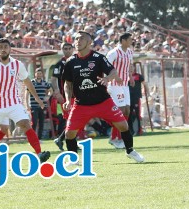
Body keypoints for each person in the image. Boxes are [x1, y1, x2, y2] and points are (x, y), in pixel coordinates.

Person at [62, 31, 144, 163]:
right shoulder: (70, 62)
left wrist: (107, 78)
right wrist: (67, 100)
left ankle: (130, 151)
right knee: (69, 134)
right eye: (76, 39)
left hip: (103, 102)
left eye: (82, 39)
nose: (78, 41)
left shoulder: (98, 58)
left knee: (123, 125)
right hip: (81, 104)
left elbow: (113, 71)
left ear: (89, 42)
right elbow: (68, 84)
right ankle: (73, 158)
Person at [0, 38, 50, 162]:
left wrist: (37, 98)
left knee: (25, 124)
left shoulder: (17, 64)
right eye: (1, 47)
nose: (3, 49)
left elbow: (27, 81)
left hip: (14, 103)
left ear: (10, 49)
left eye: (5, 47)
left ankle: (39, 154)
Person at [106, 32, 134, 149]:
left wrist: (131, 77)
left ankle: (121, 136)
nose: (131, 42)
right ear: (123, 40)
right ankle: (114, 137)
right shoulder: (114, 52)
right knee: (120, 110)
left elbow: (129, 66)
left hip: (124, 84)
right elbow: (105, 66)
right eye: (129, 40)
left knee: (127, 110)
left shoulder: (129, 52)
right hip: (114, 84)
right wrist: (114, 77)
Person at [52, 42, 74, 151]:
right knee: (70, 119)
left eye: (69, 48)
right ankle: (62, 139)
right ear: (62, 50)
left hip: (77, 96)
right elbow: (54, 79)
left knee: (73, 120)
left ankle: (63, 140)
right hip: (65, 97)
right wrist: (57, 92)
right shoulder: (59, 64)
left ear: (73, 49)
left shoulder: (76, 61)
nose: (67, 50)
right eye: (65, 48)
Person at [27, 68, 53, 140]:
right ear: (35, 74)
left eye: (40, 73)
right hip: (34, 106)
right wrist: (27, 105)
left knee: (41, 123)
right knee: (34, 122)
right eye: (37, 73)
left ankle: (39, 139)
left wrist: (48, 96)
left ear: (42, 74)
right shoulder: (31, 83)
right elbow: (27, 94)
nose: (39, 75)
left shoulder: (45, 83)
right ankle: (32, 138)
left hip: (43, 106)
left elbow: (51, 90)